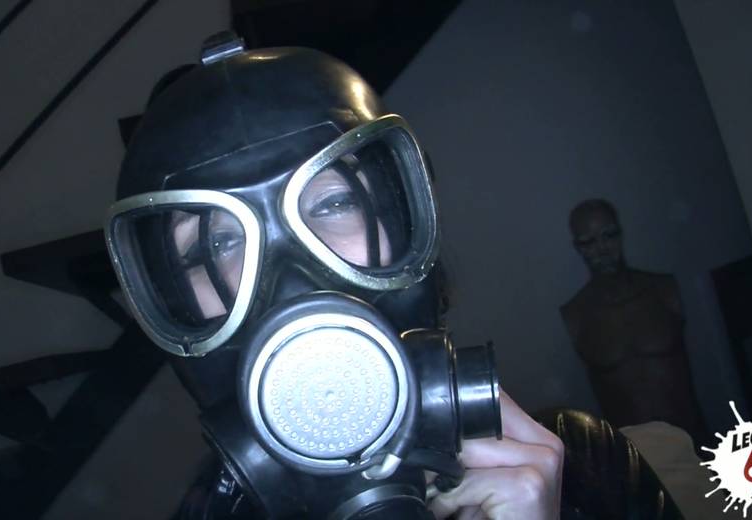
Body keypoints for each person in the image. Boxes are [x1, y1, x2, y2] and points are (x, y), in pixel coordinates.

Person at [106, 32, 680, 519]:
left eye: (334, 202)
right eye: (218, 243)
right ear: (174, 305)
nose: (291, 277)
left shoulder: (585, 464)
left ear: (403, 218)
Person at [560, 199, 708, 445]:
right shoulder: (575, 314)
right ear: (578, 248)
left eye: (609, 235)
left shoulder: (663, 290)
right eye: (589, 242)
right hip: (637, 457)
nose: (602, 249)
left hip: (694, 444)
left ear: (620, 234)